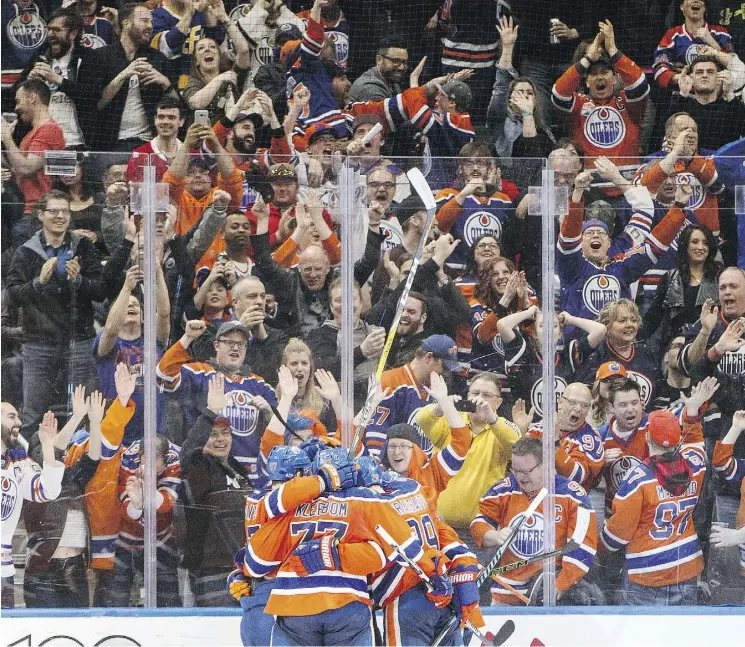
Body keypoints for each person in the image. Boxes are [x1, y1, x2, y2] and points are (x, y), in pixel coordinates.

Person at [246, 448, 451, 647]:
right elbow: (402, 544)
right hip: (347, 604)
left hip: (293, 606)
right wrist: (433, 573)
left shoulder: (294, 505)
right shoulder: (362, 499)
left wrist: (243, 573)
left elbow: (256, 561)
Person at [5, 190, 133, 440]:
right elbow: (12, 296)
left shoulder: (82, 247)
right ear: (40, 215)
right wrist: (38, 283)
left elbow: (100, 291)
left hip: (79, 341)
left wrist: (79, 281)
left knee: (82, 411)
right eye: (53, 211)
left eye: (64, 211)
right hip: (38, 343)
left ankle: (78, 464)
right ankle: (29, 467)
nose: (60, 216)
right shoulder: (25, 252)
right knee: (33, 413)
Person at [557, 170, 688, 335]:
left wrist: (679, 207)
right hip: (580, 346)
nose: (596, 235)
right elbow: (568, 237)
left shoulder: (622, 267)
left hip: (618, 343)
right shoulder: (572, 267)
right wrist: (577, 193)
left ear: (609, 241)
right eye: (589, 233)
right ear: (580, 242)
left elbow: (655, 247)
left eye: (601, 233)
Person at [471, 436, 598, 605]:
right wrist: (493, 535)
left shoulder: (572, 494)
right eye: (515, 470)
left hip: (547, 594)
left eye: (526, 471)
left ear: (545, 465)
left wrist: (561, 583)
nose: (520, 477)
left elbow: (582, 544)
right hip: (506, 592)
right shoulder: (505, 489)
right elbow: (480, 521)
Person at [601, 409, 708, 605]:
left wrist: (599, 546)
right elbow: (695, 443)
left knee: (642, 635)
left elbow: (617, 536)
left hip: (647, 572)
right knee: (680, 634)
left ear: (647, 437)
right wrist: (691, 413)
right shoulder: (695, 466)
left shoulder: (637, 480)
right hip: (686, 566)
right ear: (677, 440)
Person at [157, 319, 278, 482]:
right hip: (208, 473)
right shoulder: (200, 372)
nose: (235, 347)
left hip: (253, 475)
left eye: (240, 344)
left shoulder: (260, 385)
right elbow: (163, 375)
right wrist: (187, 337)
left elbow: (280, 431)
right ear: (216, 346)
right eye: (229, 342)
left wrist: (270, 414)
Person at [21, 386, 101, 608]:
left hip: (74, 566)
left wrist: (94, 423)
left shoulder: (71, 477)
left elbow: (93, 458)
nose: (61, 449)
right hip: (44, 568)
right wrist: (75, 418)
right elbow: (51, 453)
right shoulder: (32, 479)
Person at [416, 373, 521, 537]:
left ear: (498, 402)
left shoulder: (501, 429)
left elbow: (516, 445)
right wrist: (441, 405)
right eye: (475, 393)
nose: (478, 399)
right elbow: (422, 419)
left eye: (486, 395)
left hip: (481, 530)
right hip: (439, 525)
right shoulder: (450, 421)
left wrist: (491, 418)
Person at [181, 373, 252, 607]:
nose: (221, 439)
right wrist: (211, 411)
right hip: (210, 572)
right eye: (213, 435)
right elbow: (189, 452)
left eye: (226, 433)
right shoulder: (199, 467)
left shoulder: (238, 469)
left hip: (244, 569)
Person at [82, 3, 179, 152]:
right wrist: (124, 74)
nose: (150, 26)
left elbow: (178, 106)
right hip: (108, 145)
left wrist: (165, 82)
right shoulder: (99, 57)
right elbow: (95, 104)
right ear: (126, 24)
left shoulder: (158, 59)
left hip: (149, 145)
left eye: (151, 22)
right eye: (144, 20)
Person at [551, 20, 649, 166]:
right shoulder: (580, 103)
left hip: (625, 180)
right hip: (589, 181)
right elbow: (558, 93)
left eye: (604, 72)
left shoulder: (627, 102)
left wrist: (613, 51)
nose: (600, 77)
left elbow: (640, 83)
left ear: (615, 78)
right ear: (587, 82)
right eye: (593, 74)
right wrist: (588, 58)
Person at [94, 263, 170, 443]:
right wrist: (127, 287)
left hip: (154, 435)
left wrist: (158, 274)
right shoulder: (106, 343)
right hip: (118, 434)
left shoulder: (154, 340)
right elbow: (112, 329)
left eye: (136, 304)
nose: (132, 306)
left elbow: (164, 313)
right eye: (126, 304)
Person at [105, 434, 182, 607]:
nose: (148, 463)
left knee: (168, 600)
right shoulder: (128, 460)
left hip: (161, 537)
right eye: (145, 457)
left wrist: (148, 486)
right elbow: (127, 511)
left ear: (165, 459)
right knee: (115, 598)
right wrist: (137, 504)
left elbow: (164, 504)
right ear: (139, 456)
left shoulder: (175, 459)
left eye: (155, 458)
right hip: (126, 539)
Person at [1, 403, 64, 608]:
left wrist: (47, 446)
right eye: (11, 417)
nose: (18, 422)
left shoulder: (18, 462)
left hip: (4, 572)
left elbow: (48, 491)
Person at [379, 371, 471, 505]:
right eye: (392, 446)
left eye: (404, 446)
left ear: (416, 449)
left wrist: (444, 402)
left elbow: (461, 443)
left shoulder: (431, 472)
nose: (397, 452)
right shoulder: (378, 474)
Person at [498, 306, 607, 418]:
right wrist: (527, 313)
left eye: (554, 326)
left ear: (560, 333)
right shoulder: (523, 354)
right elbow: (502, 325)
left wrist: (570, 319)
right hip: (528, 429)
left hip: (561, 428)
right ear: (534, 334)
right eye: (542, 325)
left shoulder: (568, 355)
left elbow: (600, 330)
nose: (548, 329)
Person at [486, 16, 555, 189]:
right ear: (509, 99)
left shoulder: (542, 126)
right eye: (520, 92)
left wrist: (528, 114)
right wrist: (508, 48)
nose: (525, 96)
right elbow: (501, 86)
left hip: (536, 185)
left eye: (530, 93)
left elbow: (535, 156)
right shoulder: (498, 119)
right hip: (505, 183)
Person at [364, 334, 461, 457]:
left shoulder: (438, 388)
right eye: (444, 367)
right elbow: (376, 433)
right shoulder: (391, 381)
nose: (446, 373)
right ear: (428, 357)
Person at [434, 141, 516, 272]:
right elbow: (438, 230)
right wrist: (462, 196)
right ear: (461, 168)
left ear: (489, 168)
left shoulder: (503, 200)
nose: (475, 168)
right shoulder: (447, 195)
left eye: (481, 163)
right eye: (469, 164)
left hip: (492, 272)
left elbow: (511, 243)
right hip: (455, 270)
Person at [18, 7, 89, 149]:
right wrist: (28, 82)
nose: (50, 34)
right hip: (42, 142)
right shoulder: (39, 57)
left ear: (73, 34)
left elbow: (91, 95)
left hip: (76, 142)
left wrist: (57, 79)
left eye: (56, 30)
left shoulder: (88, 58)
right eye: (49, 29)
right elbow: (16, 96)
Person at [640, 224, 721, 348]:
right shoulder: (669, 278)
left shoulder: (720, 276)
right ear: (685, 245)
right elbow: (652, 319)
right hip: (676, 345)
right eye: (695, 242)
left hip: (711, 344)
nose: (700, 247)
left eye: (705, 243)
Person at [574, 299, 661, 408]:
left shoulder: (646, 353)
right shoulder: (597, 355)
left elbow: (660, 396)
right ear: (607, 325)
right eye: (622, 321)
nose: (629, 325)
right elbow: (584, 397)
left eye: (633, 320)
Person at [165, 121, 243, 237]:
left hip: (219, 255)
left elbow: (232, 178)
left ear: (211, 178)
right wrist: (186, 144)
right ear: (183, 179)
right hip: (180, 253)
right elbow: (172, 181)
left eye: (203, 171)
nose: (197, 176)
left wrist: (215, 144)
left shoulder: (221, 197)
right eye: (190, 173)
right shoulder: (177, 199)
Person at [0, 79, 65, 216]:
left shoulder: (49, 130)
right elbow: (18, 171)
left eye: (18, 101)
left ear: (32, 98)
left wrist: (7, 137)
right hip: (23, 208)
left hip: (37, 211)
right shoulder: (32, 134)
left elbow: (26, 168)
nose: (16, 108)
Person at [526, 382, 604, 491]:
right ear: (560, 402)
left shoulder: (591, 441)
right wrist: (520, 432)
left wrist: (555, 446)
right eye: (572, 402)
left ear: (588, 411)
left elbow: (577, 477)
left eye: (584, 405)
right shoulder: (540, 428)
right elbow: (521, 466)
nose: (578, 408)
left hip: (569, 502)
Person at [468, 256, 536, 376]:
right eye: (495, 274)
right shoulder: (477, 304)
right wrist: (505, 300)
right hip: (485, 378)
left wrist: (525, 301)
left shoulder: (522, 304)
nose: (501, 277)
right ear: (487, 280)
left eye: (506, 272)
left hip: (517, 379)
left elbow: (537, 337)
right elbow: (483, 336)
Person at [678, 267, 745, 380]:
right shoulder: (706, 322)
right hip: (712, 395)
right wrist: (705, 332)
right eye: (722, 288)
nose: (727, 292)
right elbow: (686, 369)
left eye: (733, 286)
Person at [666, 55, 745, 150]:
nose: (705, 75)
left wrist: (729, 93)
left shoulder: (731, 107)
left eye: (710, 72)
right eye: (699, 72)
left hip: (723, 163)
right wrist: (683, 93)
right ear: (692, 78)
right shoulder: (682, 104)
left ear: (718, 78)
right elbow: (669, 130)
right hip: (687, 162)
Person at [654, 0, 734, 90]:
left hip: (718, 95)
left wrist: (712, 42)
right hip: (685, 96)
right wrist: (680, 78)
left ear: (705, 7)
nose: (696, 1)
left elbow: (735, 66)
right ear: (681, 6)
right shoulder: (672, 35)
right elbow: (659, 69)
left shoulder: (721, 33)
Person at [151, 0, 227, 90]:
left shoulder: (200, 14)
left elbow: (216, 43)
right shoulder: (156, 16)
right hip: (172, 87)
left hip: (204, 83)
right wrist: (189, 14)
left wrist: (208, 12)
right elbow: (167, 48)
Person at [182, 35, 250, 123]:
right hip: (203, 134)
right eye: (201, 48)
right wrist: (220, 79)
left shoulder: (231, 76)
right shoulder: (194, 82)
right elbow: (196, 103)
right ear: (197, 61)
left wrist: (227, 22)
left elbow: (244, 50)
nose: (207, 49)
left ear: (219, 57)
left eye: (212, 47)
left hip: (232, 133)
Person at [126, 96, 185, 182]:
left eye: (171, 117)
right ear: (155, 120)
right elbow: (133, 190)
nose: (165, 122)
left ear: (181, 122)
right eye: (161, 117)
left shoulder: (190, 154)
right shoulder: (139, 154)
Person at [348, 36, 408, 103]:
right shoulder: (370, 88)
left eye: (404, 62)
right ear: (379, 60)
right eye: (396, 61)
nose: (401, 67)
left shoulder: (392, 82)